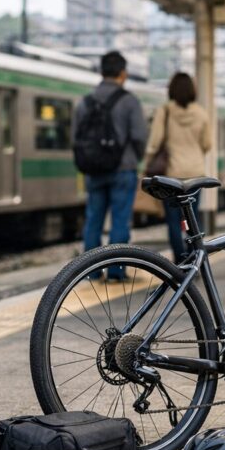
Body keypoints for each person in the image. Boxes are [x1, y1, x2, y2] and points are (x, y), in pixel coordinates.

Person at [74, 50, 148, 280]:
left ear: (102, 72)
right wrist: (134, 158)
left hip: (94, 171)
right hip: (123, 169)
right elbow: (139, 136)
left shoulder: (85, 102)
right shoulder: (129, 101)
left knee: (93, 220)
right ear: (123, 74)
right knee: (120, 220)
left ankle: (92, 272)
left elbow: (75, 138)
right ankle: (116, 271)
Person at [143, 72, 213, 262]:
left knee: (174, 221)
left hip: (172, 174)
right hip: (195, 174)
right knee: (192, 218)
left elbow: (154, 143)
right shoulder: (201, 113)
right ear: (192, 90)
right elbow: (207, 144)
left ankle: (179, 260)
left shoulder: (165, 111)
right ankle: (194, 257)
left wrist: (147, 162)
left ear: (171, 90)